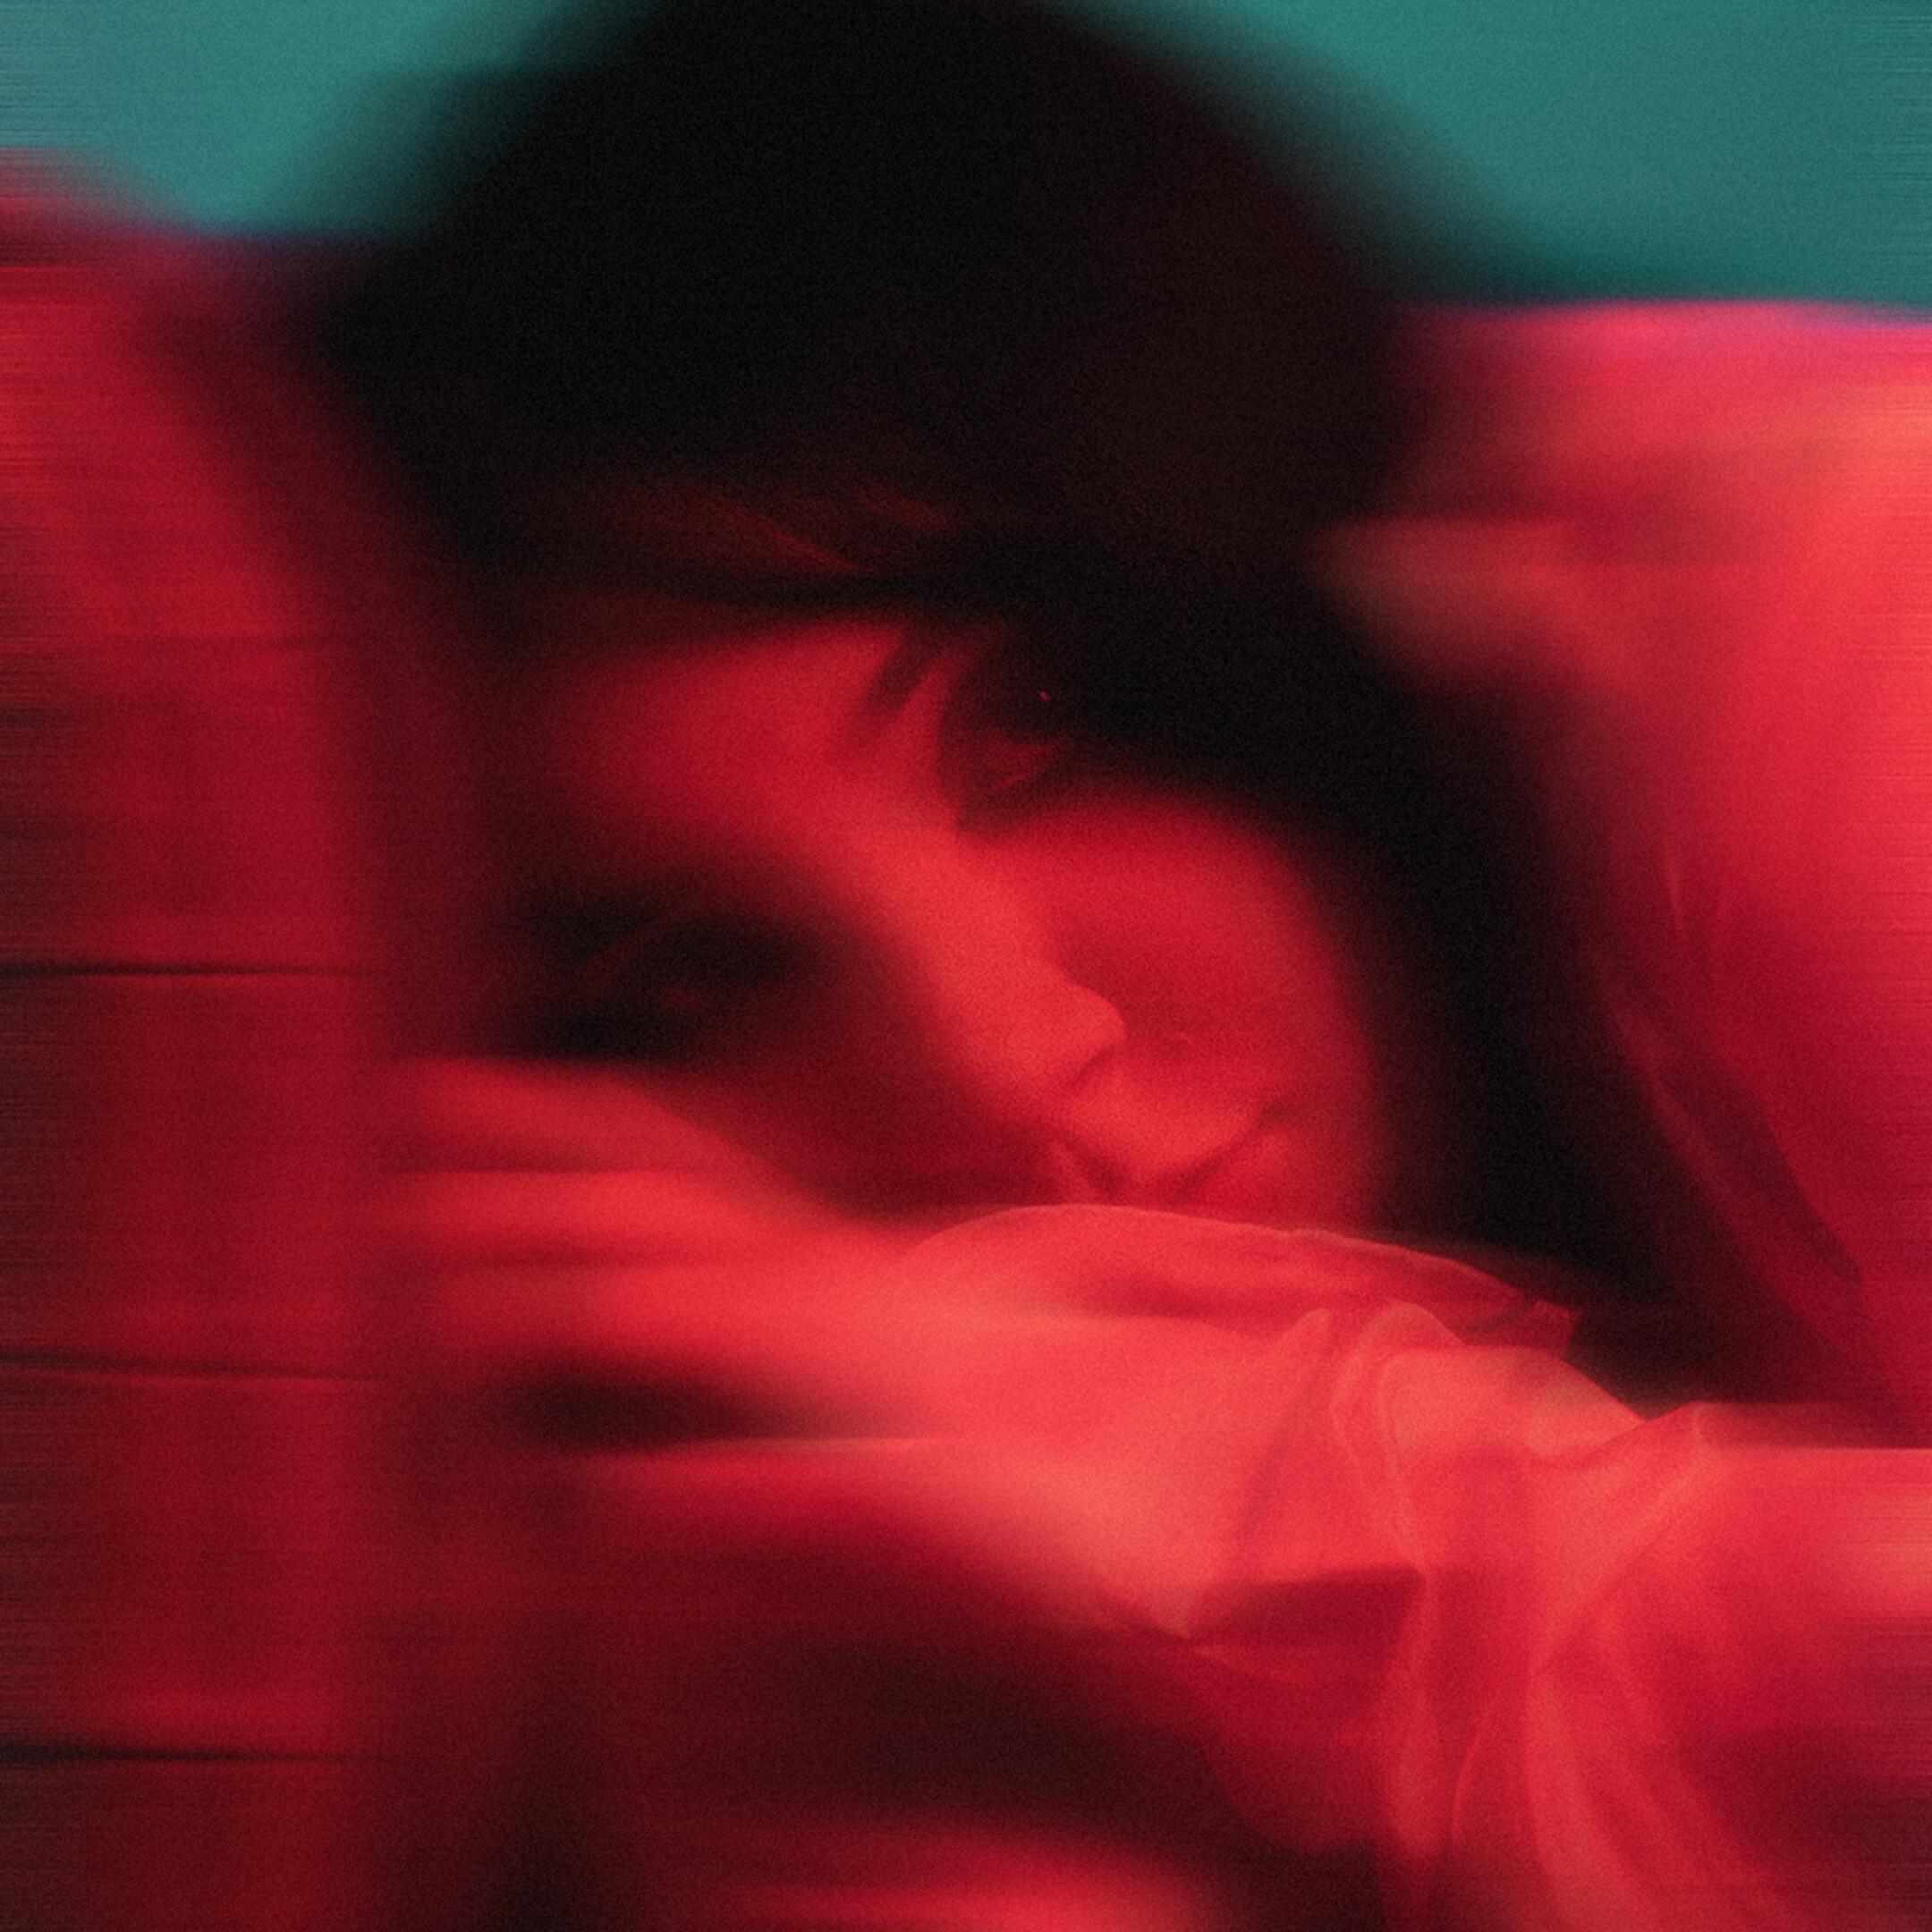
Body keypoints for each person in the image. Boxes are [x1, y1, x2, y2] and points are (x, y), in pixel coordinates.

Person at [301, 2, 1930, 1927]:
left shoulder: (1833, 632)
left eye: (1033, 731)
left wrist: (1074, 1438)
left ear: (1256, 550)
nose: (1002, 1064)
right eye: (694, 982)